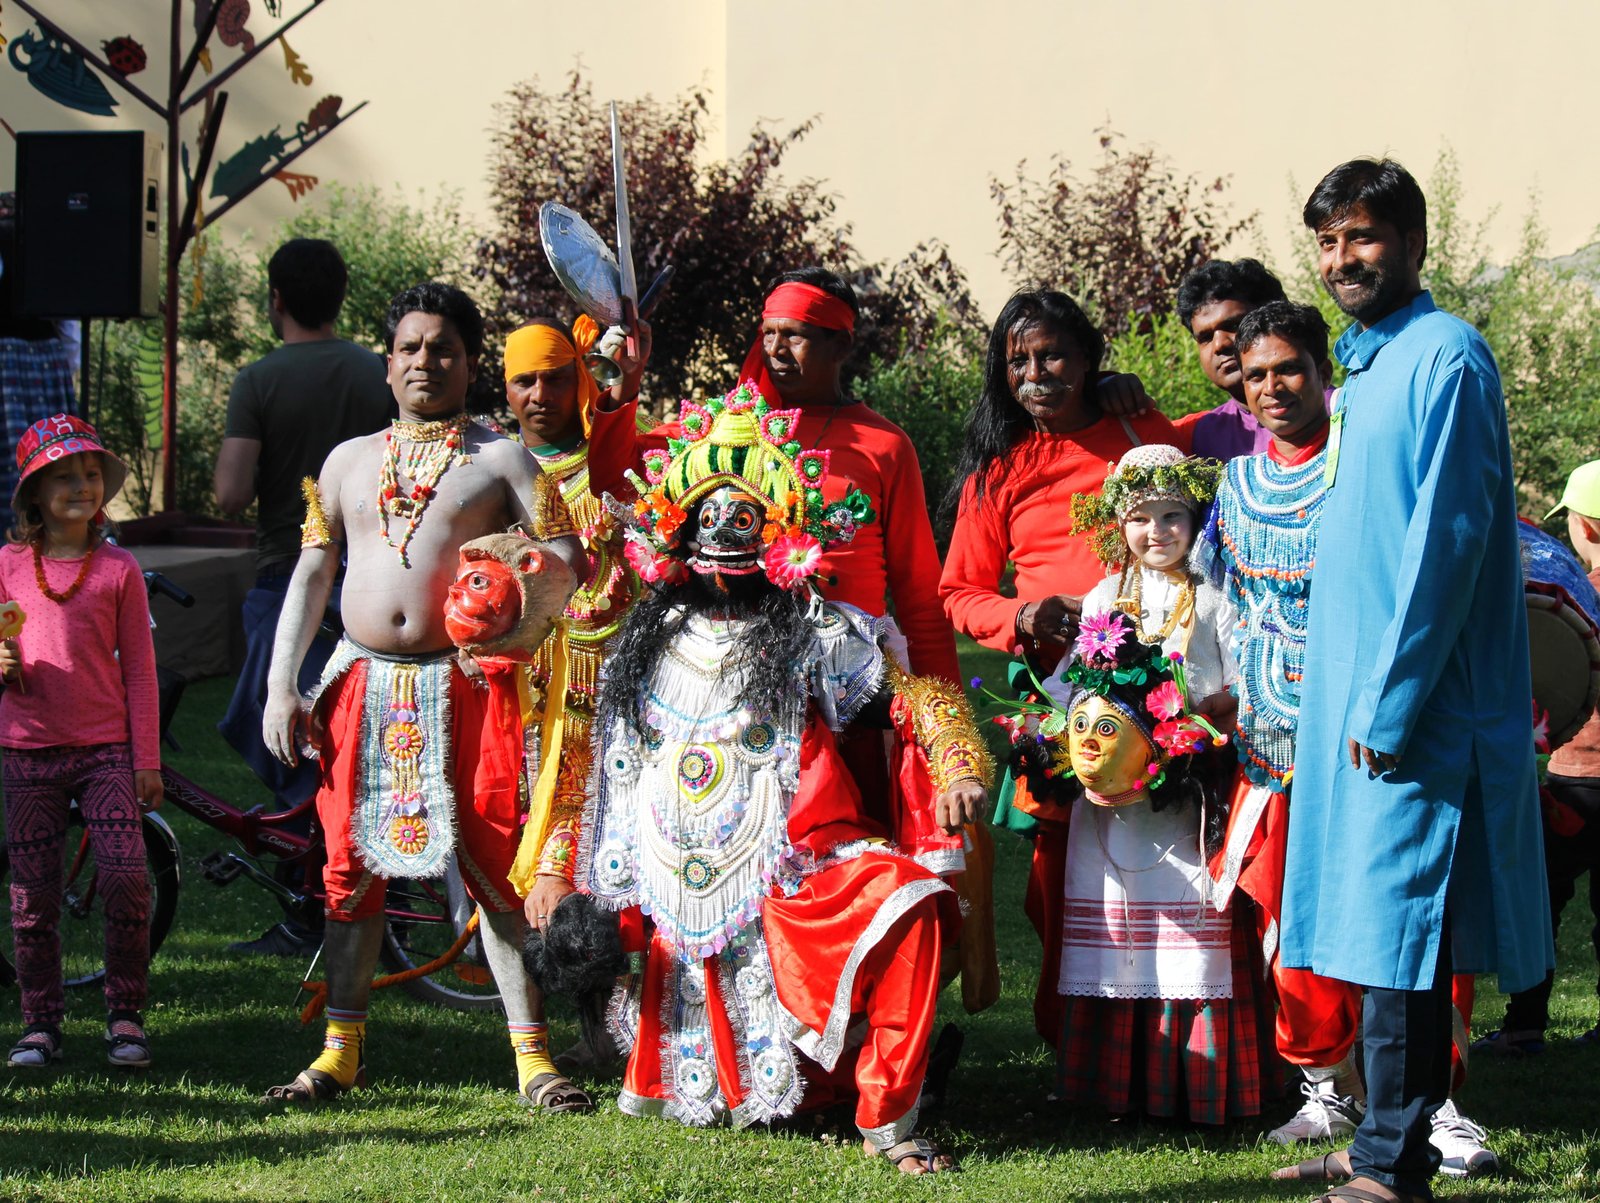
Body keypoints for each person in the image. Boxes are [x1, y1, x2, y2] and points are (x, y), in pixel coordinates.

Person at [573, 381, 990, 1173]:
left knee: (911, 906)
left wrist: (956, 758)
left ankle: (891, 1120)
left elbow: (907, 698)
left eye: (745, 519)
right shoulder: (651, 635)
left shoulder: (808, 627)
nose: (727, 533)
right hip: (674, 874)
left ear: (778, 533)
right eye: (709, 518)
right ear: (680, 532)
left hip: (793, 865)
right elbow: (619, 769)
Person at [587, 267, 1000, 1013]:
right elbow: (622, 477)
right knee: (753, 858)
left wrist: (948, 742)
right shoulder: (723, 429)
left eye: (798, 336)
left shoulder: (884, 443)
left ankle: (866, 1022)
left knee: (859, 860)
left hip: (857, 676)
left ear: (841, 346)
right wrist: (621, 389)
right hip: (744, 683)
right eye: (769, 333)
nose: (777, 349)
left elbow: (918, 593)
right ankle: (758, 1026)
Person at [1281, 158, 1552, 1203]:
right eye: (1327, 243)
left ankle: (1394, 1167)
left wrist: (1391, 701)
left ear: (1413, 244)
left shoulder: (1447, 359)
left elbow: (1444, 542)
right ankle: (1378, 1135)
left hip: (1417, 711)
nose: (1342, 260)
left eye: (1362, 237)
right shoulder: (1365, 364)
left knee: (1401, 932)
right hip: (1353, 705)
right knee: (1369, 927)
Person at [259, 282, 588, 1110]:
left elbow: (568, 561)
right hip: (357, 683)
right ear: (386, 362)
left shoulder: (501, 458)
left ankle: (534, 1061)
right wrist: (280, 685)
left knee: (495, 864)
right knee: (348, 871)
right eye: (409, 347)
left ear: (470, 363)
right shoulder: (346, 461)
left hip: (467, 685)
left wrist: (509, 615)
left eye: (442, 348)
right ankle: (338, 1052)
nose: (424, 361)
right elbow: (311, 574)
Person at [938, 289, 1188, 1045]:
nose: (1037, 373)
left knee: (1175, 864)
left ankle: (1177, 1045)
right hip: (1059, 695)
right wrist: (1019, 617)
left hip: (1164, 684)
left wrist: (1134, 412)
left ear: (1087, 358)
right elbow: (958, 591)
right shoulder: (998, 470)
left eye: (1053, 355)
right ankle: (1080, 1044)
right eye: (1018, 361)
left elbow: (1196, 506)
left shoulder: (1137, 432)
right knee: (1060, 878)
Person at [1021, 446, 1266, 1125]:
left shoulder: (1215, 598)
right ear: (1115, 522)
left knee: (1190, 929)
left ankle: (1197, 1085)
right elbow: (1072, 682)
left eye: (1172, 516)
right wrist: (1058, 730)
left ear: (1197, 520)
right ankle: (1113, 1083)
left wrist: (1199, 725)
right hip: (1112, 804)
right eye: (1139, 517)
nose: (1155, 531)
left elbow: (1240, 682)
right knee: (1118, 923)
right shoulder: (1104, 596)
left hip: (1188, 794)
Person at [1199, 301, 1368, 1144]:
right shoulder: (1234, 484)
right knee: (1288, 912)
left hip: (1364, 735)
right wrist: (1213, 687)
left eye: (1289, 369)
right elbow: (1215, 600)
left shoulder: (1361, 466)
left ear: (1322, 371)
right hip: (1268, 741)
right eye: (1257, 373)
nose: (1272, 387)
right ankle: (1325, 1084)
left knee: (1385, 906)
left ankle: (1426, 1090)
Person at [214, 239, 391, 957]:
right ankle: (333, 893)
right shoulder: (375, 373)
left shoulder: (259, 379)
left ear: (276, 299)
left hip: (289, 572)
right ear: (341, 296)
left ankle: (311, 906)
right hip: (372, 580)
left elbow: (230, 491)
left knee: (287, 734)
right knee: (349, 741)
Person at [0, 414, 161, 1069]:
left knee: (126, 877)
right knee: (33, 897)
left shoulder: (119, 569)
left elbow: (141, 670)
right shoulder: (8, 566)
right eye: (64, 476)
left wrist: (146, 759)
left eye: (91, 473)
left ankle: (125, 1015)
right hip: (27, 750)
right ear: (35, 493)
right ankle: (40, 1022)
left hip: (106, 752)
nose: (81, 485)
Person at [1475, 459, 1600, 1055]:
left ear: (1587, 528)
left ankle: (1525, 1025)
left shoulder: (1573, 595)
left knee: (1543, 900)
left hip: (1579, 778)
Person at [1173, 259, 1289, 460]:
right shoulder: (1196, 439)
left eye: (1234, 325)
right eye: (1205, 338)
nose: (1219, 345)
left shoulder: (1335, 410)